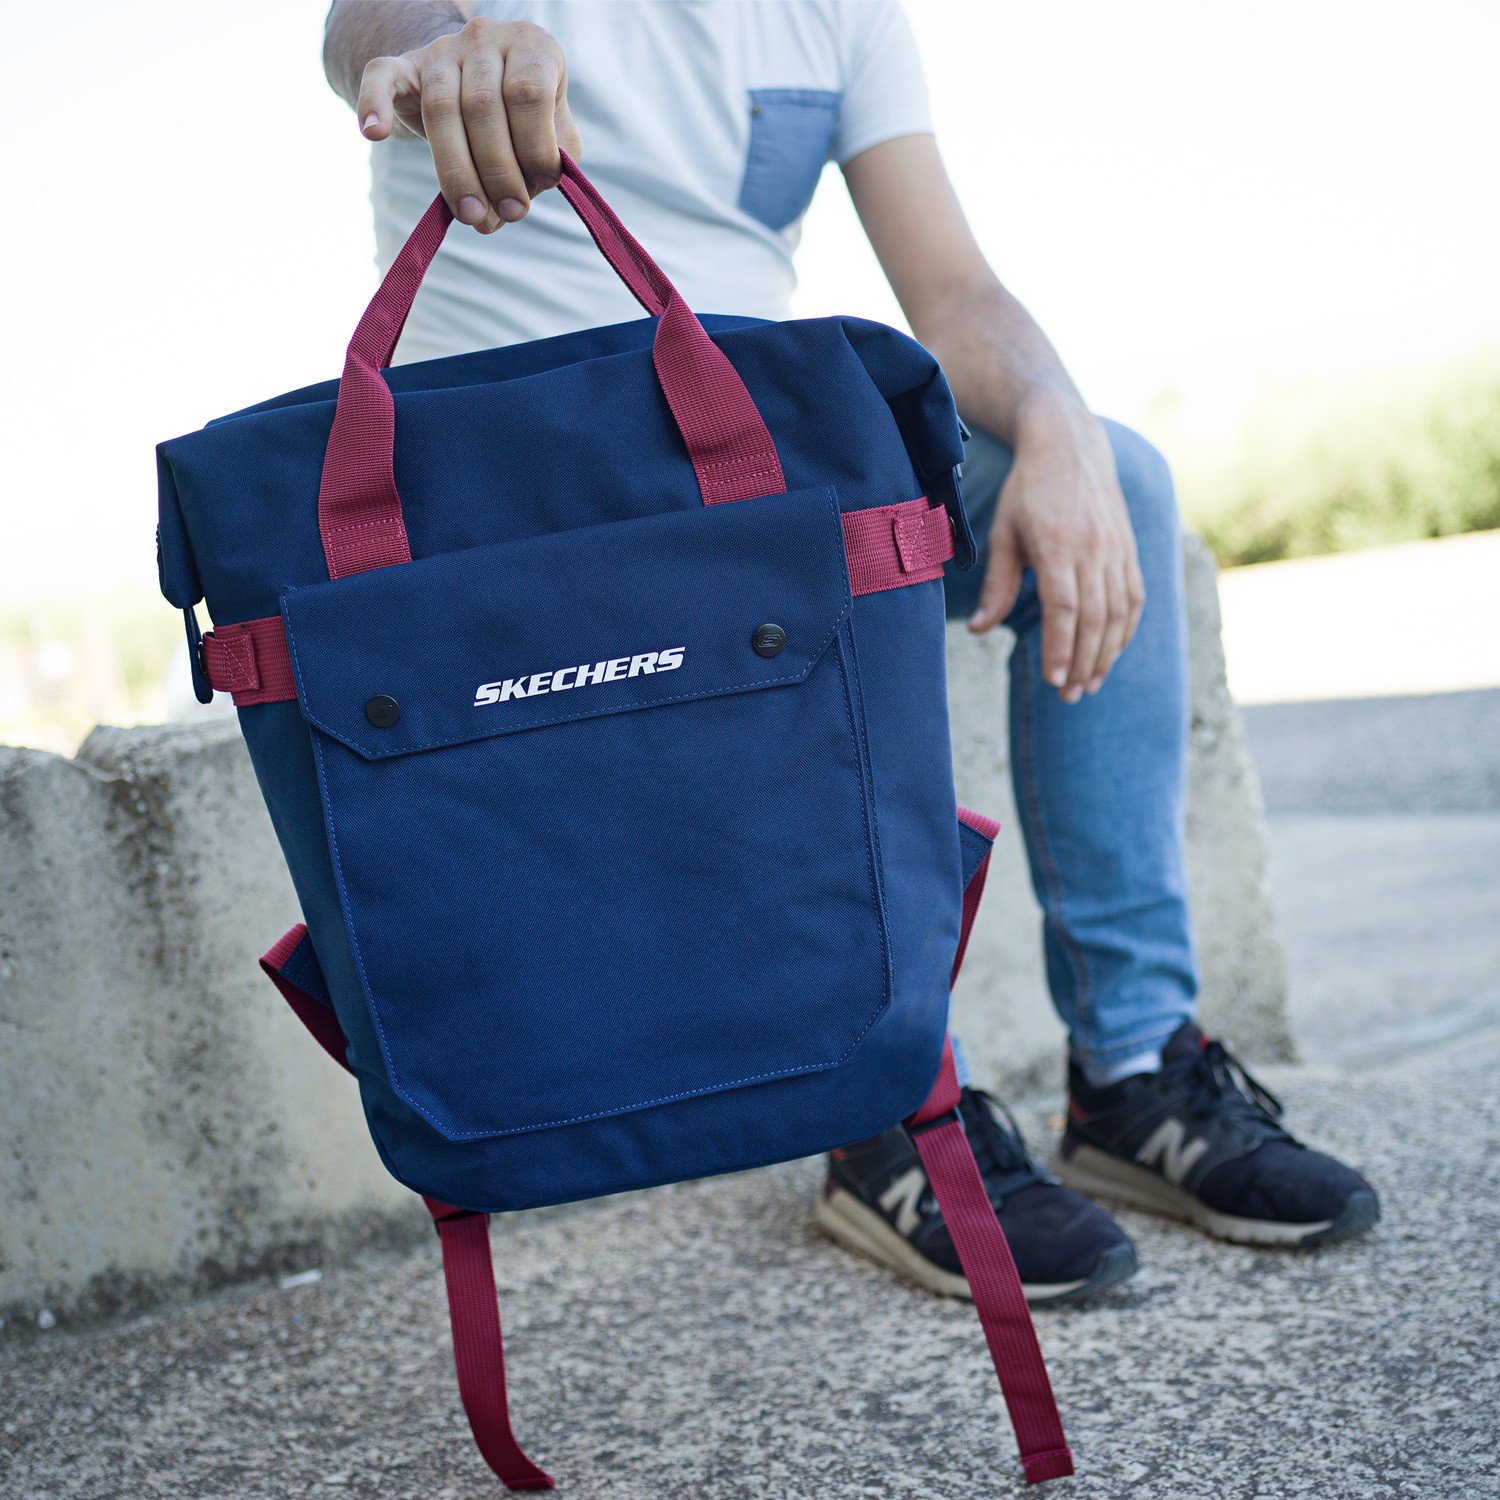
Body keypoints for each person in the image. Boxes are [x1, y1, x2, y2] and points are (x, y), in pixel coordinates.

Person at [322, 0, 1379, 1304]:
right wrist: (447, 49)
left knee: (1123, 476)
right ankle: (888, 1103)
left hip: (737, 448)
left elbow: (955, 295)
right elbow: (370, 26)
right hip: (522, 484)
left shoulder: (839, 16)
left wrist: (1056, 419)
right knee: (776, 582)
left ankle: (1136, 1075)